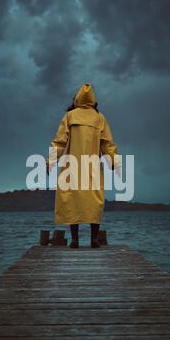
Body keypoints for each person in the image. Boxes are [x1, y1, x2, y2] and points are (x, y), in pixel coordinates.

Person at [46, 83, 119, 248]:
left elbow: (59, 142)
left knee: (73, 200)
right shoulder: (100, 117)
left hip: (73, 165)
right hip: (93, 166)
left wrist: (50, 161)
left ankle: (75, 240)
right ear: (93, 99)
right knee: (95, 201)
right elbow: (108, 143)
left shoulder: (70, 116)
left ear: (77, 98)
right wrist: (113, 160)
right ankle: (94, 239)